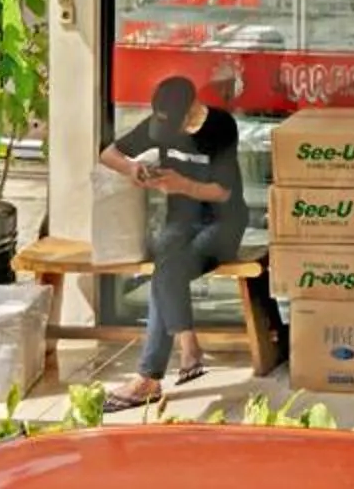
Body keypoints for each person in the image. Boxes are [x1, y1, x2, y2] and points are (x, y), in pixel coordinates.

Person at [93, 75, 246, 409]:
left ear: (192, 107)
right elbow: (109, 154)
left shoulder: (221, 128)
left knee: (167, 269)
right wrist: (133, 169)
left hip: (222, 222)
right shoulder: (159, 124)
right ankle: (186, 344)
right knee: (167, 259)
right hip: (182, 221)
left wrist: (183, 185)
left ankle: (152, 374)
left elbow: (224, 192)